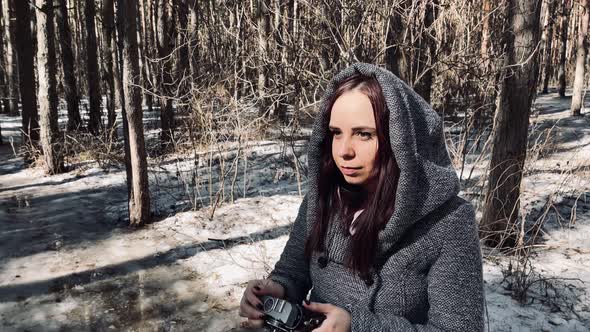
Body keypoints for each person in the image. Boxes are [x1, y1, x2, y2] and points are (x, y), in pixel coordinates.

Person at [239, 63, 485, 331]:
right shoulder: (322, 198)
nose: (344, 150)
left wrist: (357, 326)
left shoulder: (449, 221)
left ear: (399, 139)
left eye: (364, 134)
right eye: (336, 133)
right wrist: (277, 290)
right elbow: (292, 273)